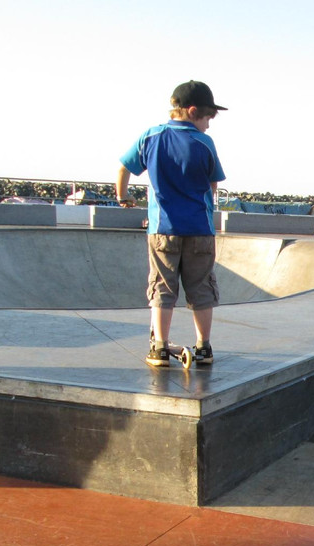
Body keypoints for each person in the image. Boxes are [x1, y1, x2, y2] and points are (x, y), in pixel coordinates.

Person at [116, 80, 227, 367]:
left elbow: (125, 168)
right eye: (208, 118)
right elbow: (213, 184)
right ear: (192, 111)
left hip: (162, 228)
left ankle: (160, 349)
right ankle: (203, 348)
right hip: (200, 230)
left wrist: (123, 196)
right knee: (201, 287)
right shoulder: (204, 143)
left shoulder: (150, 136)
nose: (209, 125)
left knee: (162, 287)